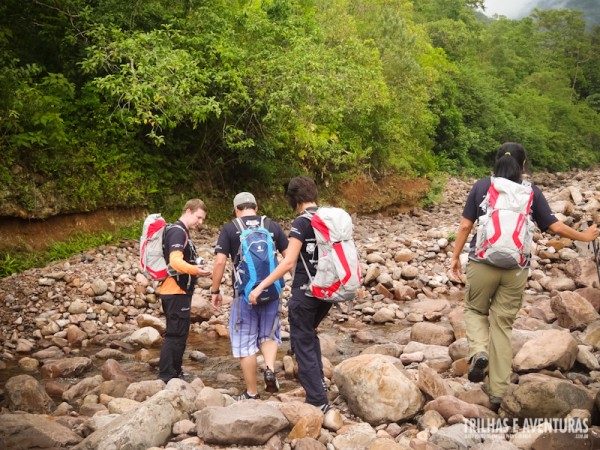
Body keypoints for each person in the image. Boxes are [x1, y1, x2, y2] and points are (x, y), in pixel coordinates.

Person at [450, 142, 599, 409]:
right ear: (523, 165)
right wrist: (584, 236)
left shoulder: (482, 186)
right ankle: (497, 393)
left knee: (474, 311)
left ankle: (479, 352)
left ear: (496, 162)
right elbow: (555, 226)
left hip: (482, 262)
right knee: (502, 326)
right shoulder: (532, 192)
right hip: (515, 269)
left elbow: (464, 226)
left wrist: (454, 257)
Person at [249, 176, 333, 413]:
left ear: (295, 200)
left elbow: (288, 263)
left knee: (302, 342)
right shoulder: (328, 217)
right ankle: (320, 387)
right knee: (309, 335)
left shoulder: (301, 222)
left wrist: (260, 286)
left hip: (306, 292)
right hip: (327, 291)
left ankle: (318, 401)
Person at [211, 192, 289, 400]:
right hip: (271, 292)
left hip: (244, 296)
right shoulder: (271, 225)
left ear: (236, 210)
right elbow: (290, 258)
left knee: (245, 343)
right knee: (269, 335)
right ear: (256, 206)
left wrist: (215, 290)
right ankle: (270, 368)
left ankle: (252, 393)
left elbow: (219, 262)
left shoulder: (230, 228)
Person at [158, 198, 212, 383]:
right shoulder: (177, 232)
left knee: (179, 334)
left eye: (203, 219)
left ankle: (175, 372)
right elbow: (175, 261)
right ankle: (166, 376)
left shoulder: (181, 232)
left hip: (177, 290)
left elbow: (182, 260)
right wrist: (196, 270)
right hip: (175, 290)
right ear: (188, 211)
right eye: (199, 217)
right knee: (175, 335)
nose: (200, 222)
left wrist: (197, 264)